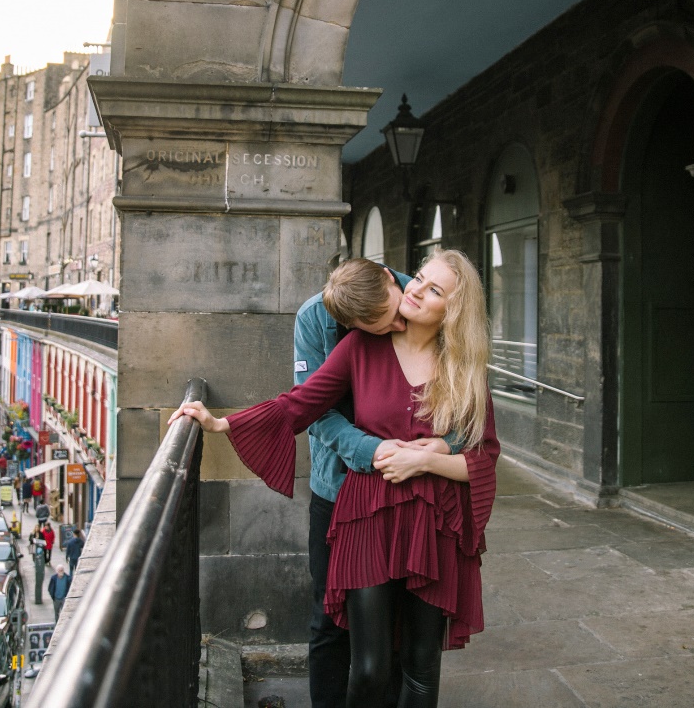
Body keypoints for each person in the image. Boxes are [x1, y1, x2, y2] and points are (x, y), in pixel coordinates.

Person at [172, 250, 499, 708]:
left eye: (433, 289)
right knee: (367, 666)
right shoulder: (352, 342)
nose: (414, 294)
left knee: (420, 667)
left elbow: (481, 454)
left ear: (454, 308)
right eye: (420, 280)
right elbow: (304, 404)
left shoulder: (459, 360)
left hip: (431, 522)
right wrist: (223, 423)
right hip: (364, 513)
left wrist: (429, 457)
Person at [294, 258, 443, 708]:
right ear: (353, 326)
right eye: (385, 326)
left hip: (409, 493)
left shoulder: (423, 298)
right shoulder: (314, 318)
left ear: (387, 279)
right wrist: (369, 451)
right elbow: (312, 406)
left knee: (402, 623)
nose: (401, 323)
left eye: (397, 312)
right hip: (338, 488)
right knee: (329, 619)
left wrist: (436, 451)